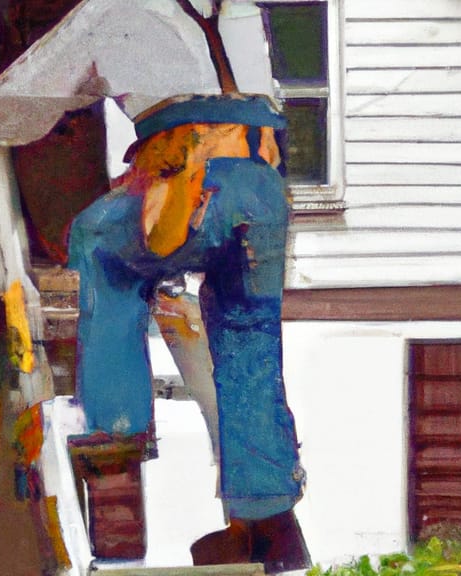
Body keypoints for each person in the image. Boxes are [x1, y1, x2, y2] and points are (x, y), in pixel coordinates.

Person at [67, 94, 308, 571]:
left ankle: (118, 488)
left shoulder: (134, 23)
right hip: (260, 185)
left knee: (100, 247)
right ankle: (268, 524)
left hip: (191, 173)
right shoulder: (236, 26)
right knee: (248, 338)